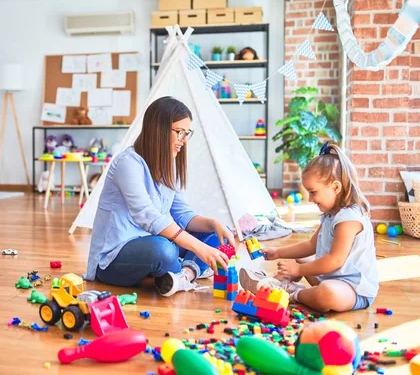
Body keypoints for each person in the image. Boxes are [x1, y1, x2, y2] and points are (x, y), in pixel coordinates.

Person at [84, 96, 235, 297]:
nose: (184, 140)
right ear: (159, 130)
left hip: (151, 243)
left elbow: (183, 215)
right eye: (179, 132)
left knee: (218, 235)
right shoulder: (128, 163)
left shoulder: (168, 164)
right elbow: (147, 216)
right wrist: (199, 248)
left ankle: (184, 276)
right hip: (113, 259)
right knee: (164, 250)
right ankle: (185, 267)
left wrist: (214, 224)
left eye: (187, 133)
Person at [240, 143, 379, 312]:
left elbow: (335, 260)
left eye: (313, 192)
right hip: (332, 277)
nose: (311, 199)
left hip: (353, 289)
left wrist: (299, 270)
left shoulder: (349, 219)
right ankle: (274, 284)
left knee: (326, 294)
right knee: (302, 259)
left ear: (336, 187)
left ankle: (292, 293)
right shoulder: (331, 214)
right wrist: (277, 252)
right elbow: (310, 246)